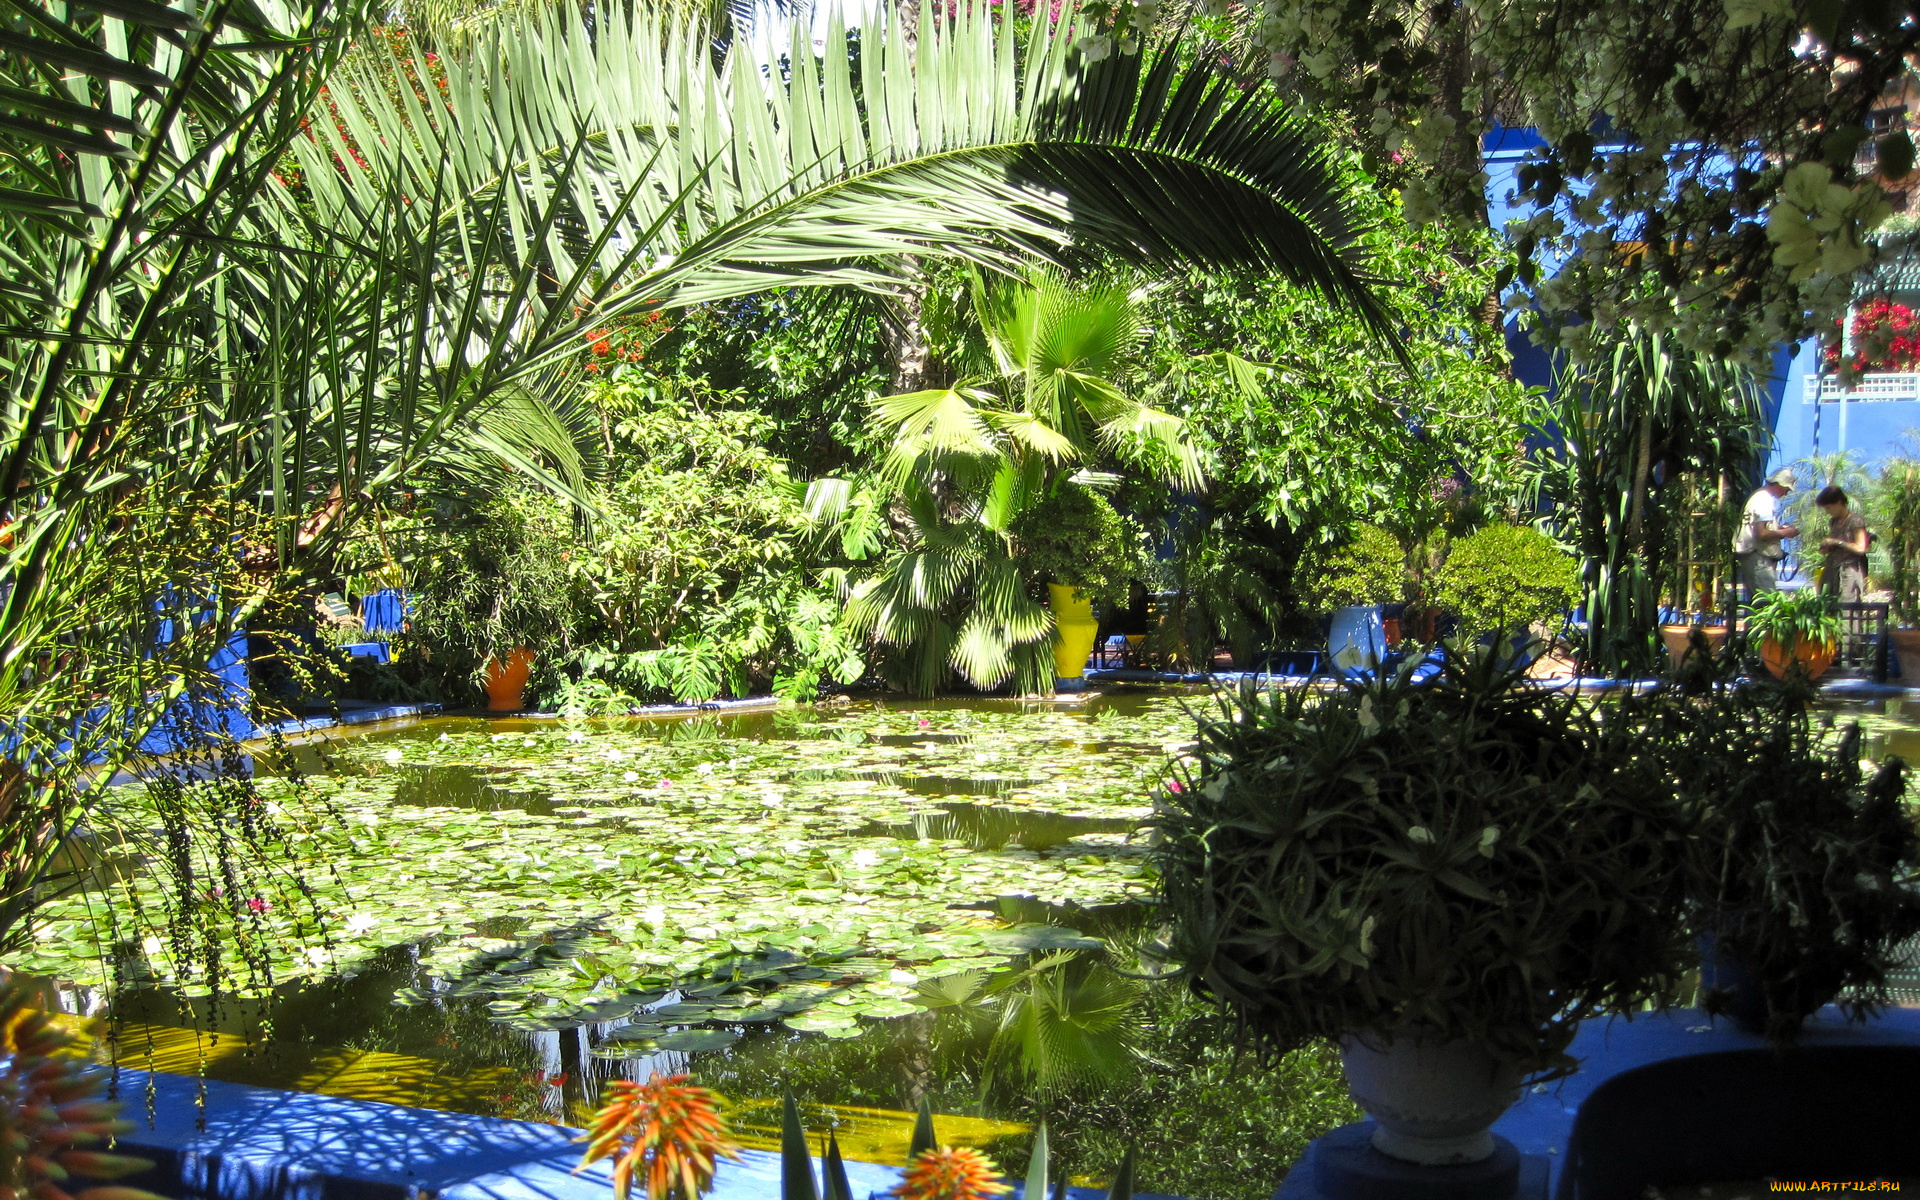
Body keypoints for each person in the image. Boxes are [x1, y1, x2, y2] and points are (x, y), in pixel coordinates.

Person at [1732, 468, 1800, 597]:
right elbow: (1762, 534)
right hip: (1758, 559)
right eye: (1786, 489)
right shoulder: (1764, 501)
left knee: (1757, 601)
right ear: (1779, 484)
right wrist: (1786, 532)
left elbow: (1758, 528)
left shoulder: (1758, 497)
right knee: (1766, 601)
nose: (1786, 494)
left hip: (1754, 556)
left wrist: (1778, 529)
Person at [1816, 484, 1872, 602]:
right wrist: (1828, 547)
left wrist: (1837, 542)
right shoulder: (1833, 521)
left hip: (1849, 571)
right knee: (1827, 606)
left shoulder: (1855, 521)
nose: (1827, 512)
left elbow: (1860, 548)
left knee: (1846, 610)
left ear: (1839, 502)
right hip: (1832, 569)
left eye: (1829, 508)